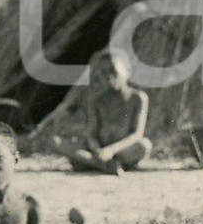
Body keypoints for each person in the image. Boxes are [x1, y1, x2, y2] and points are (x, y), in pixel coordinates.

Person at [59, 46, 152, 175]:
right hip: (100, 150)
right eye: (103, 73)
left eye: (113, 71)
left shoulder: (138, 98)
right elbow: (91, 134)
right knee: (61, 143)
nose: (109, 77)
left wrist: (111, 150)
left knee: (144, 145)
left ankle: (96, 163)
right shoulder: (95, 100)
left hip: (122, 150)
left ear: (127, 72)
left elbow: (137, 134)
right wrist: (98, 150)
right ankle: (105, 165)